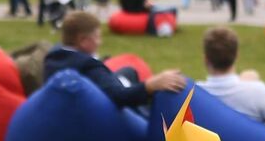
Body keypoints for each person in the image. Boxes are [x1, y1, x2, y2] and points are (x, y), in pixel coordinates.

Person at [43, 11, 187, 109]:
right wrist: (150, 85)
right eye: (97, 37)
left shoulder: (54, 57)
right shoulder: (89, 67)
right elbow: (119, 96)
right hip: (106, 106)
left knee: (129, 71)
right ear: (83, 41)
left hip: (100, 89)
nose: (100, 42)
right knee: (142, 92)